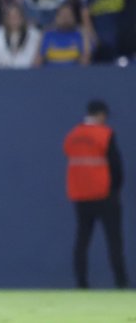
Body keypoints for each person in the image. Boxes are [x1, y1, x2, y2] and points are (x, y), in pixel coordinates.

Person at [64, 100, 128, 289]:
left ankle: (81, 283)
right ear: (101, 115)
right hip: (104, 194)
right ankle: (121, 282)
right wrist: (115, 189)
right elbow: (116, 166)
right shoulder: (105, 134)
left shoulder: (72, 135)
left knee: (82, 239)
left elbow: (70, 155)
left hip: (80, 194)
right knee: (114, 240)